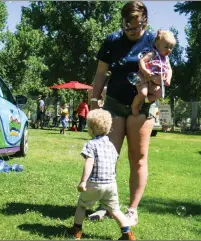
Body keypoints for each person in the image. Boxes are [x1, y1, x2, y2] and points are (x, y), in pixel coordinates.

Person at [89, 1, 173, 226]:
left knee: (137, 158)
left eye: (137, 27)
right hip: (114, 104)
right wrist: (95, 100)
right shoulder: (112, 41)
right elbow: (100, 74)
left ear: (145, 21)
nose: (132, 32)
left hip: (143, 106)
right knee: (107, 157)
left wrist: (161, 79)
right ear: (123, 23)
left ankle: (132, 210)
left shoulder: (154, 41)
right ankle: (108, 206)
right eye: (128, 27)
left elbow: (167, 65)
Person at [69, 109, 136, 240]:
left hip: (94, 183)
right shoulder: (111, 145)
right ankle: (128, 234)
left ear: (92, 129)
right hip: (111, 184)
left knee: (82, 205)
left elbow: (89, 162)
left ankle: (76, 231)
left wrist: (83, 181)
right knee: (115, 210)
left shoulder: (91, 144)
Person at [131, 29, 176, 116]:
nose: (169, 49)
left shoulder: (166, 59)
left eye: (171, 47)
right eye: (166, 47)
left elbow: (169, 69)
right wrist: (145, 71)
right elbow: (141, 61)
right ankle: (134, 106)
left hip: (154, 82)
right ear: (157, 44)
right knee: (143, 93)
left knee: (159, 94)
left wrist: (168, 78)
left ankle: (144, 101)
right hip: (144, 77)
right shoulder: (153, 53)